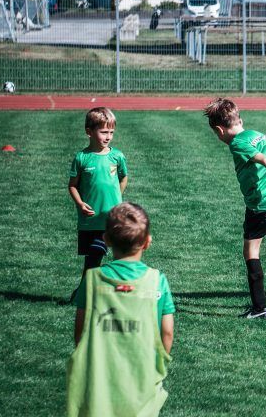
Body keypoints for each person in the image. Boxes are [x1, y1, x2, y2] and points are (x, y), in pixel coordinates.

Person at [67, 202, 175, 417]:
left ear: (106, 239)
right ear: (147, 242)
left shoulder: (92, 280)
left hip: (99, 376)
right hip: (142, 375)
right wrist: (159, 363)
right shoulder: (157, 281)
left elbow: (80, 332)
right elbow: (167, 332)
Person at [203, 98, 266, 319]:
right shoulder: (256, 134)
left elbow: (264, 160)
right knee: (261, 223)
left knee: (250, 251)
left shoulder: (237, 144)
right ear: (240, 120)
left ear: (219, 130)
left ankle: (259, 308)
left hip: (261, 199)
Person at [68, 107, 128, 302]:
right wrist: (80, 203)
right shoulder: (82, 158)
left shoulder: (117, 156)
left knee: (118, 256)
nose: (108, 136)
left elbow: (123, 177)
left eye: (111, 132)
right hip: (91, 218)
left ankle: (119, 292)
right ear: (89, 132)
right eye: (103, 132)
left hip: (112, 217)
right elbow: (72, 185)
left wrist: (117, 197)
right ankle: (83, 292)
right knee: (93, 259)